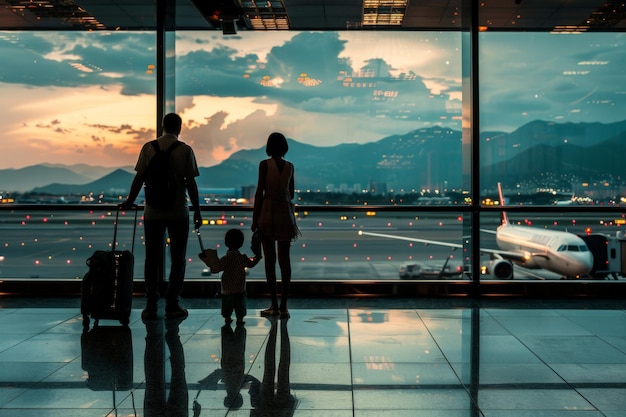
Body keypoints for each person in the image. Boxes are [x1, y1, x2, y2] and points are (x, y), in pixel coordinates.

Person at [122, 112, 202, 320]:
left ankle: (150, 304)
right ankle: (172, 304)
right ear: (180, 128)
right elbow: (191, 184)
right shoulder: (185, 150)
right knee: (177, 259)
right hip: (178, 212)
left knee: (152, 258)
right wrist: (197, 211)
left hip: (152, 212)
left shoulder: (148, 148)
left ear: (162, 126)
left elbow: (139, 177)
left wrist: (130, 201)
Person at [251, 132, 300, 318]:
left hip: (268, 212)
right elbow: (292, 193)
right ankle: (284, 305)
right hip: (285, 214)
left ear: (269, 147)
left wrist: (255, 219)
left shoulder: (264, 165)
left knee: (269, 261)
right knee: (284, 261)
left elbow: (259, 192)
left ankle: (273, 303)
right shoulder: (290, 167)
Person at [213, 228, 261, 325]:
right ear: (241, 243)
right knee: (240, 305)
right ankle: (240, 319)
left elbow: (217, 268)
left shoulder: (225, 259)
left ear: (226, 243)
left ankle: (227, 317)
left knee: (227, 305)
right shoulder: (242, 258)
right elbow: (251, 264)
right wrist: (258, 257)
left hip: (227, 288)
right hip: (239, 287)